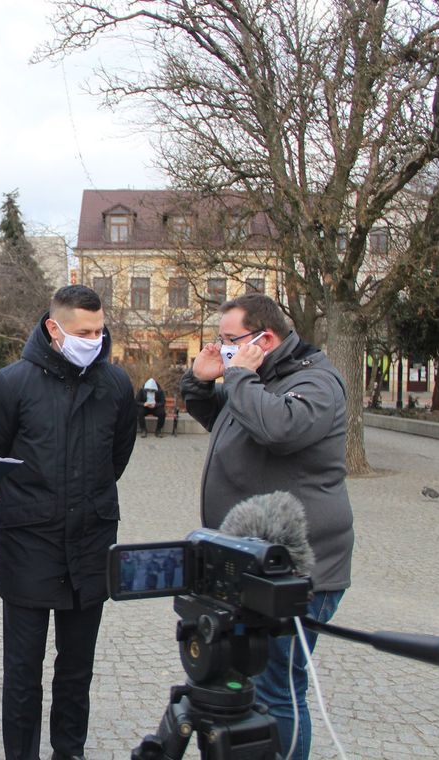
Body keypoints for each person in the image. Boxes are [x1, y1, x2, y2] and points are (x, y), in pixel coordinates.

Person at [179, 293, 354, 760]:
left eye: (230, 340)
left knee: (278, 690)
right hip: (251, 564)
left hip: (299, 570)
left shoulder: (316, 381)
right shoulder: (261, 379)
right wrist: (200, 382)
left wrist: (238, 375)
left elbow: (278, 428)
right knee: (248, 682)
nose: (223, 349)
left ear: (266, 339)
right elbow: (224, 416)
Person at [0, 284, 137, 760]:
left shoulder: (116, 384)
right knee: (23, 670)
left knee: (76, 669)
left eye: (100, 330)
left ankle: (70, 751)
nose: (95, 339)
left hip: (91, 543)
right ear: (54, 328)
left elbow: (116, 458)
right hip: (29, 545)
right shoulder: (12, 383)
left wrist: (84, 495)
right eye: (84, 331)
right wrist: (32, 506)